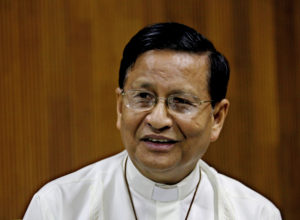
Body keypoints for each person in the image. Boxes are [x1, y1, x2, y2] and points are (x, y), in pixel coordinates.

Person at [23, 22, 281, 220]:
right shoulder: (58, 207)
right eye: (143, 96)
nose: (158, 120)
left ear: (217, 118)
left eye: (181, 101)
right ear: (119, 107)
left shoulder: (254, 213)